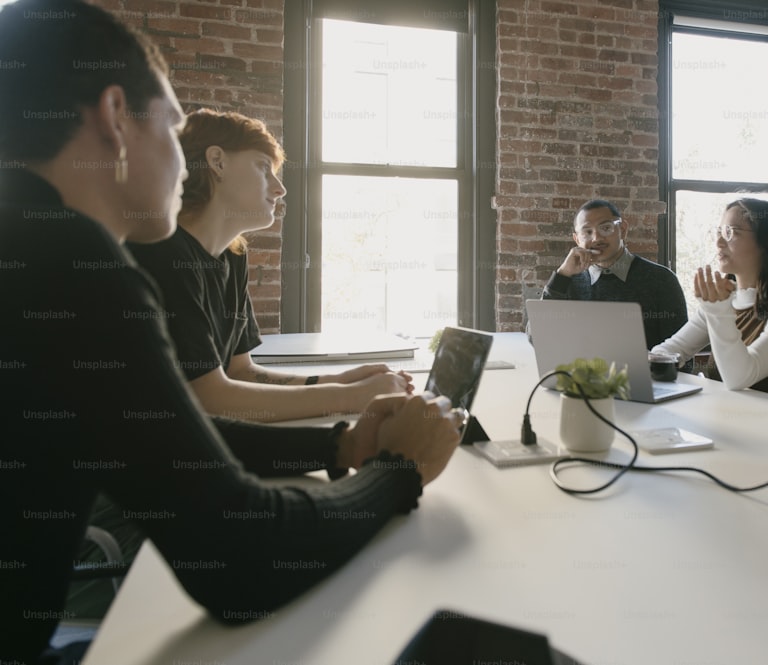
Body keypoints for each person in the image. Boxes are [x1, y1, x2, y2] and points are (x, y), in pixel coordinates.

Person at [0, 2, 462, 663]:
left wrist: (343, 443)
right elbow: (239, 558)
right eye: (173, 126)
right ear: (114, 117)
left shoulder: (30, 241)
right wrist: (398, 470)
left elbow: (166, 431)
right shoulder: (70, 261)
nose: (184, 163)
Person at [126, 109, 411, 423]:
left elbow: (241, 372)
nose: (280, 188)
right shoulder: (163, 253)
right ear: (217, 162)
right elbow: (207, 397)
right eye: (264, 167)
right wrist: (352, 397)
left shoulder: (232, 255)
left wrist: (338, 380)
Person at [651, 198, 768, 402]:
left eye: (731, 232)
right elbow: (670, 351)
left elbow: (740, 377)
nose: (718, 242)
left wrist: (717, 310)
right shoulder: (724, 303)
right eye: (719, 232)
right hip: (729, 420)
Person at [542, 199, 687, 349]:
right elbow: (538, 339)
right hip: (579, 372)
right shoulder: (567, 280)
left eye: (606, 228)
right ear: (577, 239)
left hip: (643, 373)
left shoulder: (661, 280)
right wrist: (561, 275)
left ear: (623, 229)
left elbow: (681, 356)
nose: (596, 238)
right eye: (587, 232)